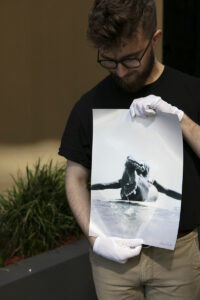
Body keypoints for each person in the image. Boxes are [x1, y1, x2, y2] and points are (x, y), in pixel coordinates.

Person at [58, 0, 200, 298]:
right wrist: (96, 239)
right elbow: (75, 178)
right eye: (109, 60)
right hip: (113, 261)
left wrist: (181, 120)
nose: (120, 72)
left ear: (155, 40)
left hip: (178, 255)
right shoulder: (87, 106)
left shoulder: (191, 92)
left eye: (131, 59)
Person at [91, 155, 182, 201]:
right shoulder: (151, 181)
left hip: (127, 195)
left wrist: (89, 188)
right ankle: (134, 167)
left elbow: (103, 185)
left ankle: (131, 165)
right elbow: (167, 191)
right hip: (140, 194)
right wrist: (182, 198)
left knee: (128, 181)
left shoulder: (123, 181)